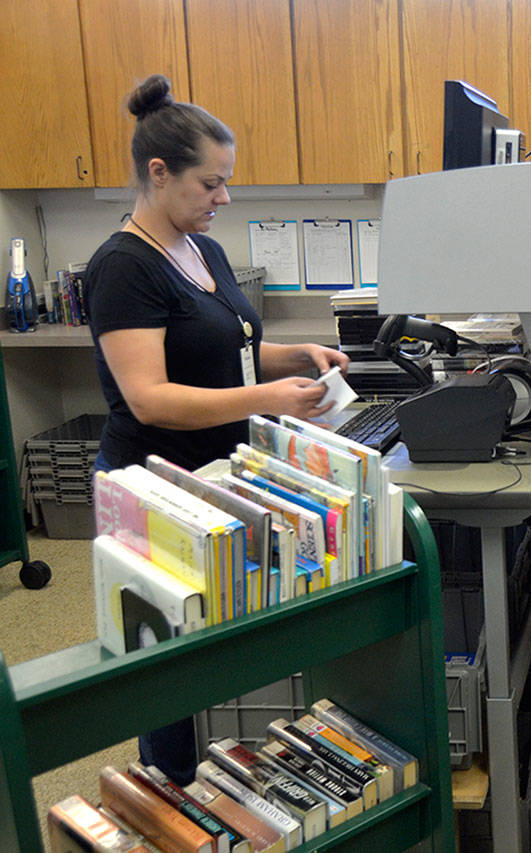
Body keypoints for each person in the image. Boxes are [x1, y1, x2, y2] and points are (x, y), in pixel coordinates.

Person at [85, 74, 350, 784]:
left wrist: (292, 357)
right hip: (152, 486)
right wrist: (268, 396)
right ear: (158, 172)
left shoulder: (203, 250)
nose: (223, 198)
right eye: (211, 183)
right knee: (169, 667)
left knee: (222, 645)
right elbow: (150, 398)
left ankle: (225, 788)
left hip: (214, 474)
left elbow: (220, 348)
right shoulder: (122, 266)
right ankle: (168, 794)